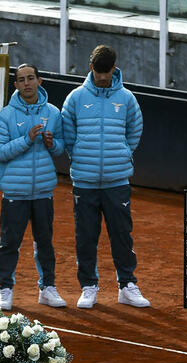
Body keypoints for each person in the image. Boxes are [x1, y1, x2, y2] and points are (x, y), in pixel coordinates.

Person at [60, 44, 147, 309]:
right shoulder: (75, 98)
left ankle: (127, 285)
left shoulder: (127, 99)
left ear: (114, 69)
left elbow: (135, 129)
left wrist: (122, 153)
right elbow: (67, 133)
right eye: (97, 71)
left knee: (122, 235)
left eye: (106, 72)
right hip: (84, 181)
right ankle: (88, 286)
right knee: (86, 236)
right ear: (91, 68)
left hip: (116, 180)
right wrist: (79, 156)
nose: (101, 77)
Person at [0, 63, 67, 311]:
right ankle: (5, 289)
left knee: (44, 242)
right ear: (16, 85)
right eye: (21, 80)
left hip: (43, 191)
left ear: (39, 81)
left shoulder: (53, 113)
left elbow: (61, 148)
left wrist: (52, 144)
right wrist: (26, 139)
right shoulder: (6, 115)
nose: (27, 83)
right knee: (9, 243)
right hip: (15, 192)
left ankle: (47, 288)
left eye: (30, 78)